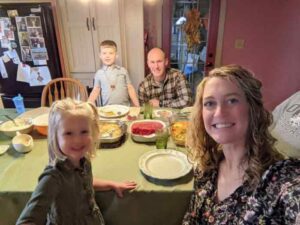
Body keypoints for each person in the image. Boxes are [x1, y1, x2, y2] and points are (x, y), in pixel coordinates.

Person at [182, 65, 300, 224]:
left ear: (253, 109)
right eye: (209, 103)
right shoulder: (207, 168)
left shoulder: (280, 181)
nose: (219, 113)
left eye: (232, 100)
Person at [17, 98, 137, 225]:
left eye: (84, 132)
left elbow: (83, 181)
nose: (77, 140)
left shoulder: (83, 161)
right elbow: (26, 221)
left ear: (94, 132)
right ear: (55, 136)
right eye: (68, 133)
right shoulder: (53, 177)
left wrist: (112, 184)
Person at [88, 40, 139, 106]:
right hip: (108, 110)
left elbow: (130, 88)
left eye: (111, 53)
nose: (107, 56)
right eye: (104, 53)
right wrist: (88, 103)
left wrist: (137, 105)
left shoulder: (123, 70)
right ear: (100, 55)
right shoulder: (99, 73)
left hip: (125, 108)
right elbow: (95, 91)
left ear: (116, 55)